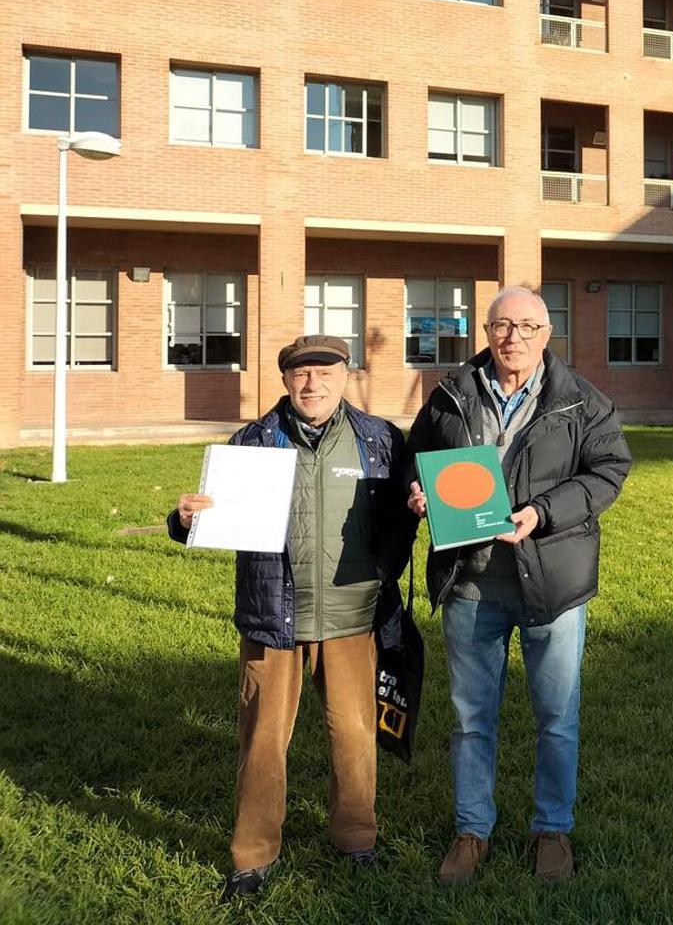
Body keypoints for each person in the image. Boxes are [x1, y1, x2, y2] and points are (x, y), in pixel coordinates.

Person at [169, 334, 416, 902]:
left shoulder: (379, 440)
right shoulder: (252, 441)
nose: (313, 385)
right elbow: (210, 519)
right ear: (285, 381)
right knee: (261, 742)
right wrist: (185, 520)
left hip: (353, 616)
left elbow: (403, 518)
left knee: (354, 737)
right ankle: (252, 857)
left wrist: (383, 569)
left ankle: (356, 838)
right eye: (301, 375)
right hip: (272, 617)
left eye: (325, 373)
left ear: (344, 375)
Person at [406, 286, 632, 886]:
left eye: (528, 327)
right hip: (471, 583)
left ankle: (551, 829)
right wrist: (417, 491)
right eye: (503, 325)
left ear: (547, 334)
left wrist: (542, 512)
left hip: (551, 584)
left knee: (556, 716)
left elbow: (609, 471)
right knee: (470, 718)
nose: (515, 338)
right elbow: (415, 457)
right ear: (485, 331)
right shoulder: (451, 395)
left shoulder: (582, 402)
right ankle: (471, 831)